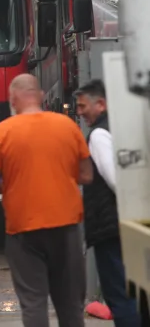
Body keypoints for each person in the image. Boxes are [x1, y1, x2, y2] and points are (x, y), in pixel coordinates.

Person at [0, 74, 94, 327]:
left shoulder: (3, 131)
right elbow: (86, 175)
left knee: (33, 303)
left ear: (13, 99)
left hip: (23, 228)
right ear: (40, 95)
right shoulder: (66, 126)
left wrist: (13, 182)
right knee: (70, 304)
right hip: (66, 225)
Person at [75, 80, 140, 326]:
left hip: (111, 226)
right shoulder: (126, 127)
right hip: (133, 223)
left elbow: (116, 180)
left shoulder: (100, 134)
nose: (79, 112)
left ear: (100, 104)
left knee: (120, 296)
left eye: (83, 106)